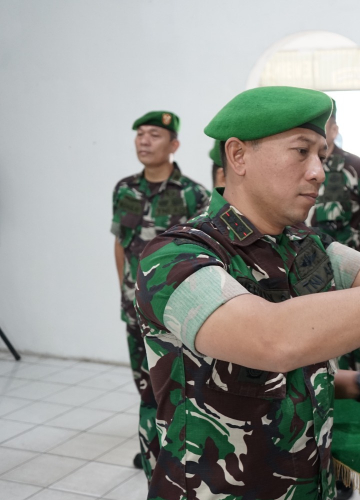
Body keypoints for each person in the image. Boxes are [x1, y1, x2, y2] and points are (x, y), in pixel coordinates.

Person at [134, 86, 360, 500]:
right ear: (237, 156)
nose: (319, 172)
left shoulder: (307, 246)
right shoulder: (175, 257)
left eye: (322, 155)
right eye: (301, 152)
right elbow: (273, 338)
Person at [111, 110, 209, 477]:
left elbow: (201, 255)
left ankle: (175, 455)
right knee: (143, 380)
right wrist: (124, 291)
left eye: (154, 135)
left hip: (175, 307)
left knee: (175, 385)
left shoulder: (194, 194)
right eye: (140, 134)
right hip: (134, 304)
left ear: (174, 144)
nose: (144, 141)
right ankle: (150, 449)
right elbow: (121, 245)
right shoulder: (124, 189)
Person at [311, 102, 360, 257]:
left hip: (348, 275)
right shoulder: (292, 168)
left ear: (334, 131)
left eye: (319, 125)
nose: (311, 131)